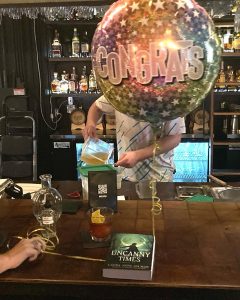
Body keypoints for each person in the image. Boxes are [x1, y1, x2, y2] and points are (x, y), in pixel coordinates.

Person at [83, 95, 186, 182]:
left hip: (159, 175)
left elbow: (174, 139)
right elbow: (97, 107)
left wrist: (138, 155)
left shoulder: (170, 97)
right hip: (126, 173)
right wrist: (90, 124)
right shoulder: (120, 92)